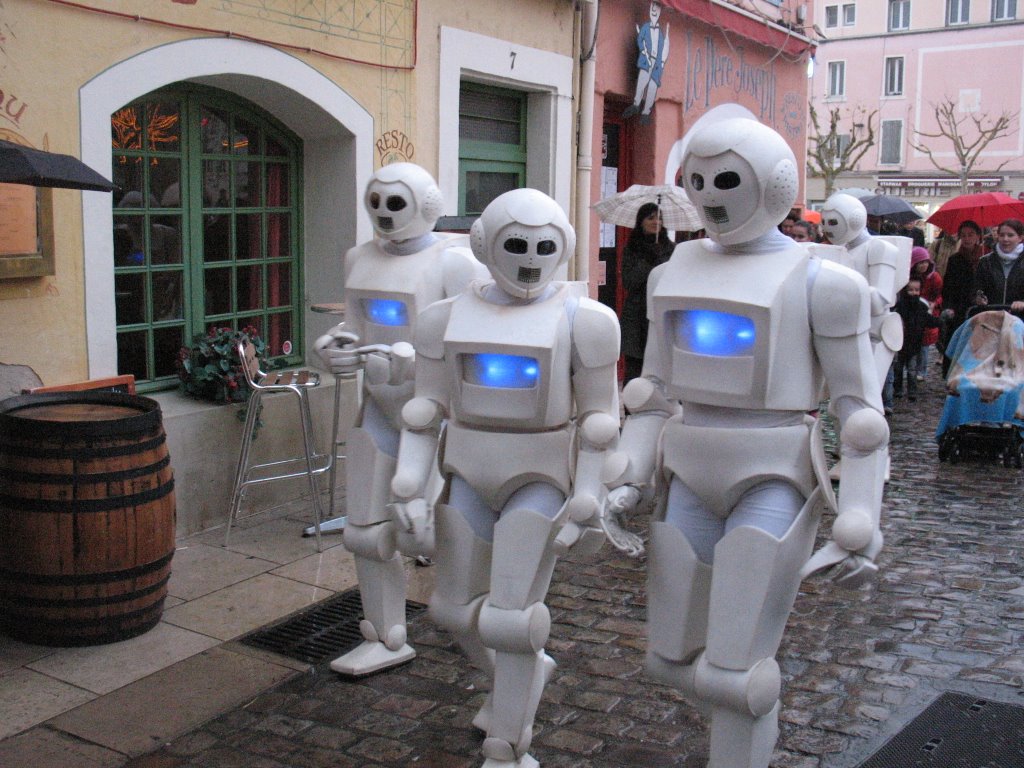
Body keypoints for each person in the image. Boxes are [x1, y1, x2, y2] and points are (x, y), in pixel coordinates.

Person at [605, 108, 887, 768]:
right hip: (690, 468)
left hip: (775, 474)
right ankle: (751, 712)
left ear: (772, 182)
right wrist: (625, 472)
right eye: (695, 180)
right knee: (670, 659)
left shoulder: (826, 282)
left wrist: (862, 512)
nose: (709, 197)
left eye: (725, 179)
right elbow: (653, 394)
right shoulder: (671, 272)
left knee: (735, 668)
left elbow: (861, 413)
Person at [389, 188, 624, 768]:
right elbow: (424, 412)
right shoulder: (443, 320)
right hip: (466, 469)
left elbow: (599, 418)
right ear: (487, 244)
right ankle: (523, 676)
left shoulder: (585, 321)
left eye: (544, 246)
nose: (529, 257)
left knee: (512, 618)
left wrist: (589, 494)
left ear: (562, 248)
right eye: (516, 244)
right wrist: (410, 484)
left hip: (540, 474)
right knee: (451, 611)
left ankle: (508, 744)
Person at [314, 163, 487, 677]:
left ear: (424, 205)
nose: (387, 215)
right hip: (379, 407)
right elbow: (352, 321)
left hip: (436, 418)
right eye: (379, 203)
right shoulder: (359, 257)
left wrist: (418, 357)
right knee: (365, 532)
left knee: (429, 535)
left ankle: (480, 619)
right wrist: (332, 347)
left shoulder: (455, 263)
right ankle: (385, 635)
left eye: (398, 203)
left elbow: (475, 337)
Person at [621, 203, 674, 382]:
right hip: (636, 315)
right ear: (641, 222)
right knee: (635, 364)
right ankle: (632, 406)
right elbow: (628, 282)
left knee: (661, 361)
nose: (656, 222)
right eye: (650, 218)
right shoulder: (632, 248)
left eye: (659, 218)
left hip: (661, 312)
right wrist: (648, 263)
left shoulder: (671, 249)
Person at [940, 220, 986, 376]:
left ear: (978, 236)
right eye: (964, 235)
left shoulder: (986, 257)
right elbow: (948, 287)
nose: (967, 239)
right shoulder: (955, 260)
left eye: (971, 235)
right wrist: (949, 307)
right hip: (960, 309)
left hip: (981, 308)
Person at [892, 276, 942, 402]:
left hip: (914, 344)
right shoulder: (900, 306)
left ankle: (912, 391)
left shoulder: (921, 307)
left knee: (911, 370)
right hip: (900, 343)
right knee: (898, 369)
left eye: (917, 290)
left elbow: (928, 320)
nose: (914, 293)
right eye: (911, 290)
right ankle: (897, 390)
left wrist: (941, 320)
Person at [622, 1, 669, 124]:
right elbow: (640, 40)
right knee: (642, 81)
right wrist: (644, 52)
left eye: (657, 8)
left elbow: (663, 48)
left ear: (660, 12)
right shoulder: (646, 27)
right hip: (646, 61)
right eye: (652, 7)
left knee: (652, 87)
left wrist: (662, 63)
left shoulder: (660, 33)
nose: (654, 10)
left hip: (656, 64)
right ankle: (636, 104)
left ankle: (646, 112)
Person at [973, 218, 1024, 314]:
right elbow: (976, 289)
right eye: (1002, 235)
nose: (1005, 239)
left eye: (1010, 235)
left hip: (1019, 319)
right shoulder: (985, 261)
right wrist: (979, 299)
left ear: (1020, 238)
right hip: (991, 317)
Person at [910, 246, 942, 380]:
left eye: (925, 262)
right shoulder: (910, 277)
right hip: (912, 313)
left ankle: (921, 371)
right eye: (920, 263)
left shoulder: (934, 277)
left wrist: (934, 303)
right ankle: (911, 369)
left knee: (924, 345)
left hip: (928, 313)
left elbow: (940, 294)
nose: (923, 265)